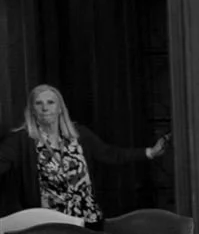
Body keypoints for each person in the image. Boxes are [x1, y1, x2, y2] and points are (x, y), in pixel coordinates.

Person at [0, 85, 168, 221]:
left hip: (86, 217)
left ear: (60, 108)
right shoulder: (21, 140)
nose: (45, 108)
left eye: (50, 102)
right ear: (32, 110)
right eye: (39, 103)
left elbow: (110, 154)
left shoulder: (79, 134)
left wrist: (149, 152)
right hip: (46, 222)